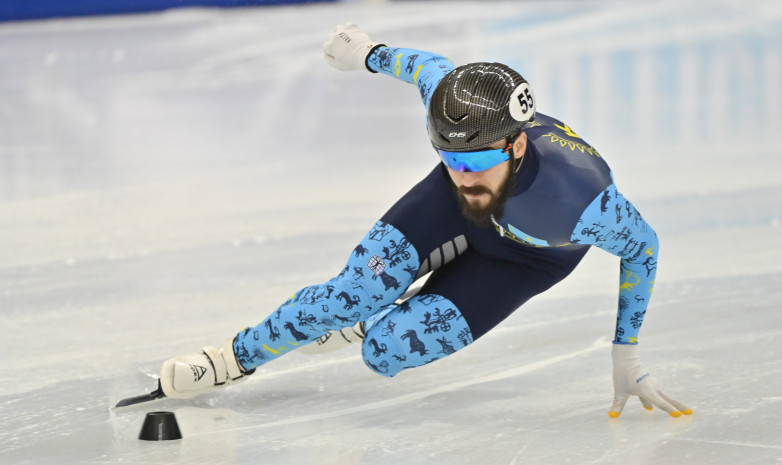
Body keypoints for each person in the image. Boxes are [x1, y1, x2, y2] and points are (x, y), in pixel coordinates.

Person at [156, 23, 691, 419]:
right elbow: (425, 64)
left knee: (383, 353)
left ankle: (368, 323)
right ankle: (234, 356)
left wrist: (627, 351)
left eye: (479, 162)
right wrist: (365, 53)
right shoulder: (455, 120)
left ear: (519, 143)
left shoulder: (584, 200)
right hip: (452, 218)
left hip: (527, 260)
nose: (464, 175)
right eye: (450, 159)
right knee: (349, 294)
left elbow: (644, 249)